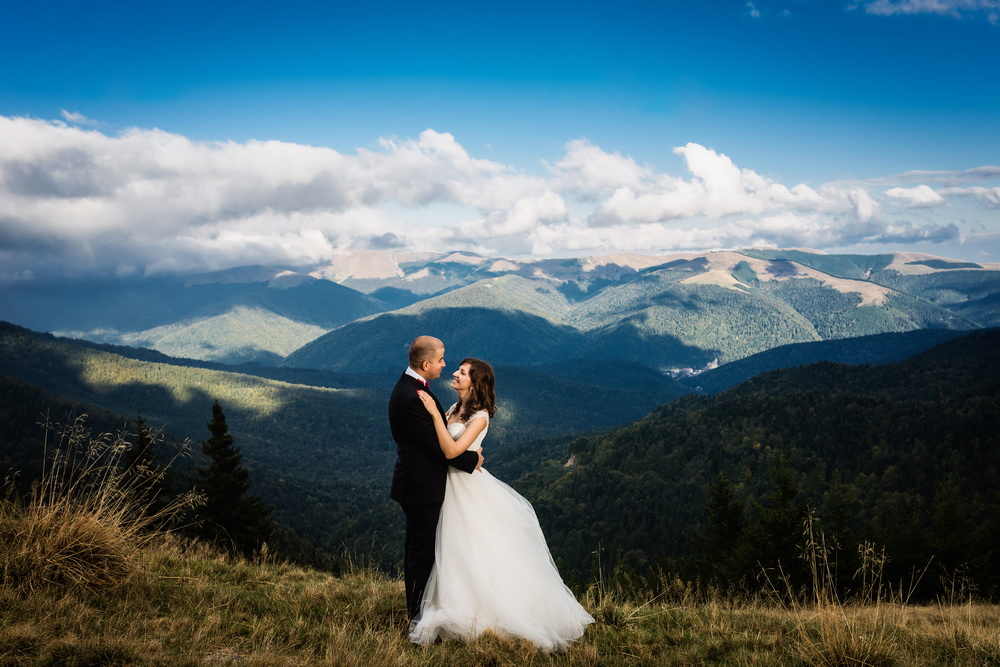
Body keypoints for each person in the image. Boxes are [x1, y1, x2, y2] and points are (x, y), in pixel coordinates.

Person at [408, 357, 594, 651]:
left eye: (463, 372)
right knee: (452, 549)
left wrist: (432, 414)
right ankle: (454, 607)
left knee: (470, 548)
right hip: (450, 486)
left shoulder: (479, 415)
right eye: (457, 369)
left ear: (475, 382)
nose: (455, 373)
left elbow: (452, 449)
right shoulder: (454, 408)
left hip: (466, 489)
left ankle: (484, 612)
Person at [389, 336, 484, 622]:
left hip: (424, 485)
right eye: (441, 360)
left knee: (428, 551)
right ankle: (417, 616)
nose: (445, 365)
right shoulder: (414, 397)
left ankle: (428, 609)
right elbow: (439, 448)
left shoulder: (411, 389)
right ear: (425, 363)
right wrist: (474, 459)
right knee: (421, 555)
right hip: (422, 489)